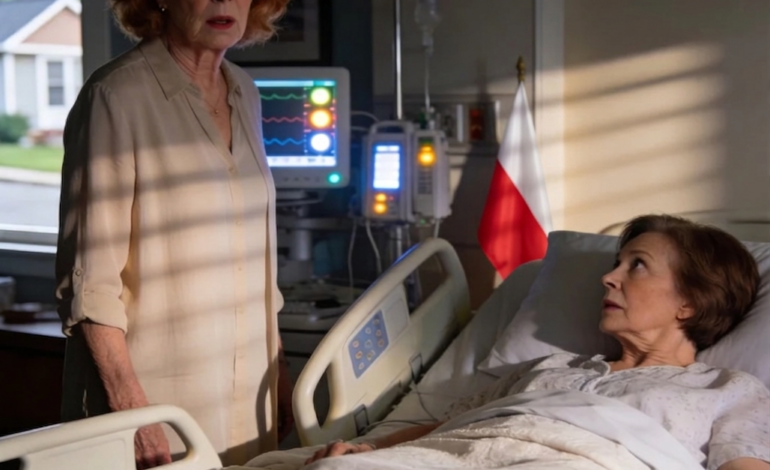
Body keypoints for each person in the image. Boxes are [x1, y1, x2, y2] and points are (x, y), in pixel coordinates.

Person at [307, 215, 770, 470]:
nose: (608, 278)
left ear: (690, 302)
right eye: (616, 264)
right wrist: (373, 448)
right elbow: (453, 425)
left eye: (637, 266)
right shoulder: (550, 366)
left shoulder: (727, 389)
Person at [54, 0, 293, 467]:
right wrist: (131, 412)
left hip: (246, 394)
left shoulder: (245, 92)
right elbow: (90, 286)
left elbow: (253, 265)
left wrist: (278, 370)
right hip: (153, 403)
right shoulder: (116, 96)